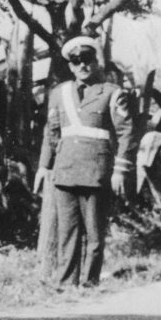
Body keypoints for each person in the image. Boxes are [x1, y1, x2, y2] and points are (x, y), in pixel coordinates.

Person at [39, 37, 137, 288]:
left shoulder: (113, 93)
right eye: (76, 61)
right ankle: (65, 283)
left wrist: (120, 171)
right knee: (67, 232)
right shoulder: (59, 93)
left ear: (96, 62)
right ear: (70, 66)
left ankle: (89, 282)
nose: (82, 66)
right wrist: (44, 166)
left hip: (96, 170)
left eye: (87, 60)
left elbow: (126, 133)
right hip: (66, 169)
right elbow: (51, 132)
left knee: (94, 233)